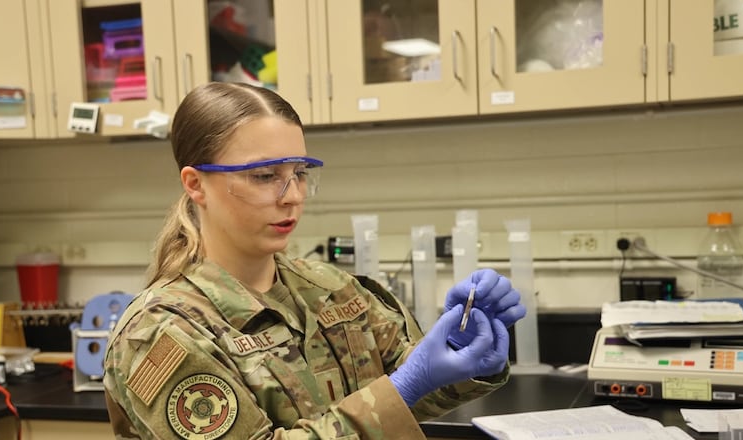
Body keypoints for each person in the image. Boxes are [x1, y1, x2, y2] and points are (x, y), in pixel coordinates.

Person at [103, 82, 527, 439]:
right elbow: (397, 391)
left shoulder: (333, 290)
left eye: (299, 173)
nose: (292, 196)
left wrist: (467, 348)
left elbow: (410, 393)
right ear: (196, 184)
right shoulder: (161, 333)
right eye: (264, 176)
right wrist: (405, 383)